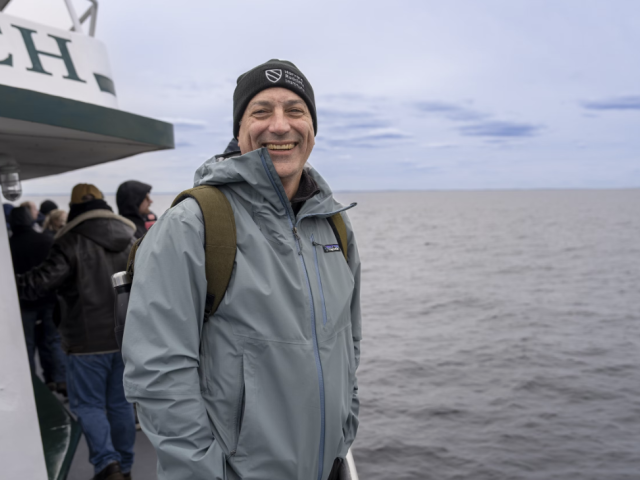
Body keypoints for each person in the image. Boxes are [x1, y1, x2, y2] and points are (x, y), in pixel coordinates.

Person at [122, 59, 362, 480]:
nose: (280, 125)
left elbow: (349, 343)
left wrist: (345, 431)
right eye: (261, 111)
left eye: (295, 110)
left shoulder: (334, 225)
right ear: (239, 129)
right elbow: (159, 373)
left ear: (312, 127)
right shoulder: (192, 224)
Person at [16, 183, 137, 480]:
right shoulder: (131, 238)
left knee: (89, 405)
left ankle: (108, 465)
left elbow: (39, 283)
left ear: (74, 208)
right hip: (126, 338)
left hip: (85, 342)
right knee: (121, 404)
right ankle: (126, 466)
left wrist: (9, 281)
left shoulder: (69, 241)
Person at [8, 206, 67, 394]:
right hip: (49, 298)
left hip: (23, 303)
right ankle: (58, 379)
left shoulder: (8, 245)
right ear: (30, 219)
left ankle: (32, 385)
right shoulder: (46, 240)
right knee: (52, 340)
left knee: (27, 344)